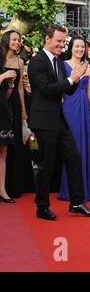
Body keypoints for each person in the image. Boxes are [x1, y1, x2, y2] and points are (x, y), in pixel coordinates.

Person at [27, 24, 90, 220]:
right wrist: (71, 79)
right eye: (58, 41)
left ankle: (76, 202)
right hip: (43, 121)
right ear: (47, 40)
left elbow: (65, 91)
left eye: (63, 41)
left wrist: (75, 79)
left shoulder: (59, 63)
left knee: (74, 158)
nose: (61, 44)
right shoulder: (37, 62)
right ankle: (42, 207)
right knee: (47, 165)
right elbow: (45, 90)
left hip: (59, 119)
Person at [58, 35, 90, 202]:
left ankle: (84, 190)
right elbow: (60, 90)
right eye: (77, 46)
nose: (80, 49)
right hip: (69, 108)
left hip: (84, 109)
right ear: (71, 48)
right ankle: (69, 190)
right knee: (72, 148)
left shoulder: (87, 68)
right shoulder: (63, 65)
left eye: (82, 47)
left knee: (84, 148)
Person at [1, 30, 33, 198]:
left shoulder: (20, 61)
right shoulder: (1, 58)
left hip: (13, 105)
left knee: (12, 146)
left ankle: (10, 187)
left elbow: (20, 88)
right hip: (1, 103)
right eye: (14, 39)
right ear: (6, 40)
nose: (17, 42)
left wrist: (23, 110)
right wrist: (4, 76)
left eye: (19, 40)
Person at [0, 51, 17, 203]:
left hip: (3, 113)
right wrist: (3, 77)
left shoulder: (2, 70)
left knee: (3, 154)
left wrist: (10, 86)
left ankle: (2, 190)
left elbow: (5, 96)